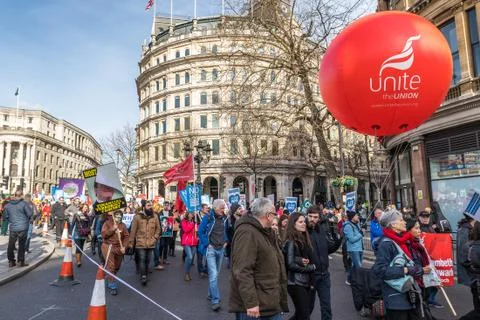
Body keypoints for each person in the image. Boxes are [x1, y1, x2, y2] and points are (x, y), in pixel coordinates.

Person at [229, 197, 288, 320]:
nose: (275, 217)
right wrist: (251, 303)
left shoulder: (265, 231)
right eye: (274, 214)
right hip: (256, 307)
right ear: (268, 215)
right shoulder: (247, 232)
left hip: (268, 301)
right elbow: (242, 270)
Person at [373, 209, 421, 320]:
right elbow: (380, 270)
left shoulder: (402, 241)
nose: (404, 222)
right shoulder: (386, 244)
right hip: (395, 299)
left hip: (407, 295)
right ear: (393, 224)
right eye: (401, 220)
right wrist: (406, 270)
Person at [307, 206, 342, 320]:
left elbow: (327, 249)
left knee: (326, 307)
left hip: (324, 276)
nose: (312, 219)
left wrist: (337, 242)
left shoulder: (321, 230)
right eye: (310, 216)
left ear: (319, 218)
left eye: (315, 217)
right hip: (310, 277)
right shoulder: (303, 232)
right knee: (307, 308)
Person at [198, 199, 230, 312]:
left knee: (216, 274)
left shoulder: (225, 218)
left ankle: (210, 294)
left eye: (224, 208)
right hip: (211, 249)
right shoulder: (208, 218)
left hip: (221, 249)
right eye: (222, 208)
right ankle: (215, 300)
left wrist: (226, 241)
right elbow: (200, 232)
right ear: (216, 208)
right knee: (214, 274)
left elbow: (225, 231)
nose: (223, 210)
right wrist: (207, 244)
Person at [284, 213, 316, 320]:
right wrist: (309, 268)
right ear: (293, 224)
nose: (304, 224)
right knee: (304, 315)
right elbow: (290, 264)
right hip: (295, 282)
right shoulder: (291, 241)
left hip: (305, 282)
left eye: (304, 222)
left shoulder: (304, 238)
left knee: (302, 314)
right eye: (300, 222)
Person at [128, 201, 160, 285]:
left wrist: (155, 238)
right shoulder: (137, 217)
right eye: (148, 205)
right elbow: (133, 231)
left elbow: (158, 229)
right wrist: (131, 243)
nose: (150, 207)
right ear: (144, 207)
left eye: (151, 205)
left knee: (147, 260)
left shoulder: (155, 216)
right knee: (142, 259)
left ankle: (144, 272)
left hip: (151, 242)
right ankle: (143, 276)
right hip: (140, 243)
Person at [418, 211, 443, 309]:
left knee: (436, 281)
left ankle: (430, 299)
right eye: (423, 216)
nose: (425, 218)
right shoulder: (417, 228)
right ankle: (426, 300)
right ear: (419, 217)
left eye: (427, 217)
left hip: (433, 257)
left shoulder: (431, 228)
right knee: (427, 281)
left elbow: (438, 239)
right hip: (423, 258)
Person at [101, 210, 129, 295]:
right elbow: (103, 235)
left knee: (117, 266)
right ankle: (112, 284)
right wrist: (112, 229)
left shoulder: (123, 225)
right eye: (117, 215)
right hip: (108, 247)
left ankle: (110, 276)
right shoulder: (107, 223)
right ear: (114, 215)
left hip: (119, 248)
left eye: (120, 215)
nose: (118, 217)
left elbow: (127, 237)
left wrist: (124, 246)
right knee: (111, 266)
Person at [5, 191, 33, 267]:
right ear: (21, 196)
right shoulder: (24, 204)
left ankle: (11, 261)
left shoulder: (7, 205)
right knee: (21, 244)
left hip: (13, 227)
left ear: (14, 195)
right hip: (23, 227)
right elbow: (30, 214)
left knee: (11, 244)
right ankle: (20, 261)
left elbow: (6, 217)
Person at [460, 221, 480, 320]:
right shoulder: (471, 246)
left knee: (477, 309)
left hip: (475, 282)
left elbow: (464, 262)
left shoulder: (468, 246)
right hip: (476, 281)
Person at [343, 210, 364, 285]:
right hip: (353, 249)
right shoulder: (348, 226)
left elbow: (359, 233)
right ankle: (360, 282)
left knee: (355, 266)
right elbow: (351, 239)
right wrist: (360, 234)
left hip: (360, 248)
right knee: (358, 266)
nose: (357, 216)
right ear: (352, 217)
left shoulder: (356, 224)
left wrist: (362, 230)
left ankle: (349, 279)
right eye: (356, 215)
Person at [458, 215, 476, 287]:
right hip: (470, 271)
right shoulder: (465, 230)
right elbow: (463, 253)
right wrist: (472, 266)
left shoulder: (468, 229)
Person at [181, 211, 198, 281]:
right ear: (187, 214)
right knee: (190, 257)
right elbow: (186, 230)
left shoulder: (195, 222)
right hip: (186, 242)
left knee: (190, 258)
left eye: (192, 213)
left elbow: (197, 231)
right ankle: (187, 273)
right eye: (190, 213)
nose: (192, 215)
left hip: (194, 242)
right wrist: (192, 224)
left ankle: (186, 263)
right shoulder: (184, 221)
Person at [197, 203, 210, 278]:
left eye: (208, 208)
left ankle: (206, 269)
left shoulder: (209, 216)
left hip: (207, 238)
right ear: (202, 209)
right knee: (200, 256)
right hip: (198, 238)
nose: (207, 209)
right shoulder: (196, 216)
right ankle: (200, 270)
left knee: (208, 255)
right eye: (206, 208)